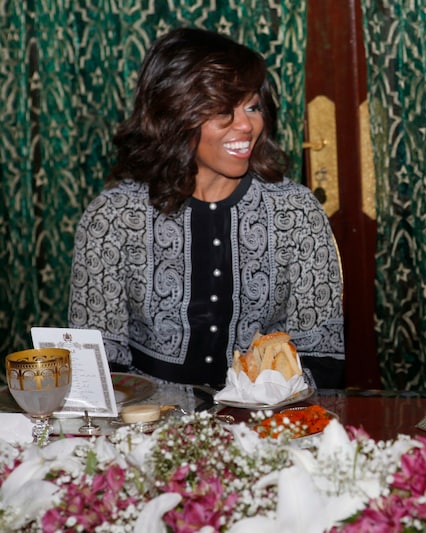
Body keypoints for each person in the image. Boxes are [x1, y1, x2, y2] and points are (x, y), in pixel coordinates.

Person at [68, 28, 345, 390]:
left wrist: (257, 410)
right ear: (174, 111)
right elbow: (95, 363)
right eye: (221, 110)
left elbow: (321, 358)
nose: (247, 125)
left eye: (252, 106)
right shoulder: (114, 217)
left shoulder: (295, 211)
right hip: (145, 427)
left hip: (267, 425)